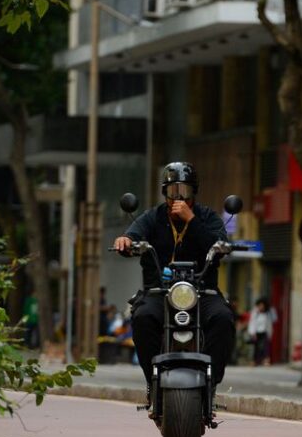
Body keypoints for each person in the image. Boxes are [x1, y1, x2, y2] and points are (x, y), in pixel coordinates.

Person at [113, 161, 236, 405]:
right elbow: (133, 234)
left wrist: (192, 221)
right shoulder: (152, 217)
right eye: (172, 191)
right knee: (142, 317)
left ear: (194, 193)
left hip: (203, 291)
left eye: (184, 191)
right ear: (164, 193)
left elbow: (218, 243)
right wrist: (125, 241)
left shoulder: (208, 217)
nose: (178, 197)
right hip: (159, 291)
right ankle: (153, 381)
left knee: (223, 318)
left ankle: (211, 383)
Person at [248, 298, 276, 366]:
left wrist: (271, 310)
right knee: (256, 347)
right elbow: (252, 322)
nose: (261, 307)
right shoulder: (255, 312)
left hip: (265, 332)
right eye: (259, 305)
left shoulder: (268, 313)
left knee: (265, 347)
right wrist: (252, 333)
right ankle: (254, 361)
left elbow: (274, 319)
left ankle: (266, 360)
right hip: (256, 332)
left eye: (262, 306)